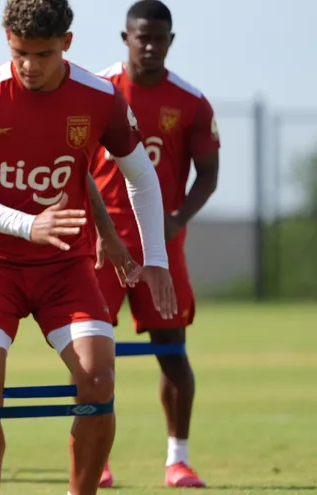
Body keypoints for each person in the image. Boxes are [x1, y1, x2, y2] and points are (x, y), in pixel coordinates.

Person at [0, 0, 179, 493]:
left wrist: (155, 259)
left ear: (66, 43)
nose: (29, 65)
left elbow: (142, 178)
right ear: (7, 38)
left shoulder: (98, 95)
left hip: (63, 267)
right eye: (20, 52)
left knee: (99, 379)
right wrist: (29, 225)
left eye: (43, 54)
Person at [89, 0, 219, 488]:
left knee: (172, 350)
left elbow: (208, 174)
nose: (149, 45)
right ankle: (95, 458)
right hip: (100, 244)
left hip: (159, 248)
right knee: (90, 352)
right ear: (125, 39)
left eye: (158, 38)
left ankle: (177, 460)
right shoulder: (97, 91)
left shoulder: (190, 101)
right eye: (140, 37)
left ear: (170, 40)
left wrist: (177, 218)